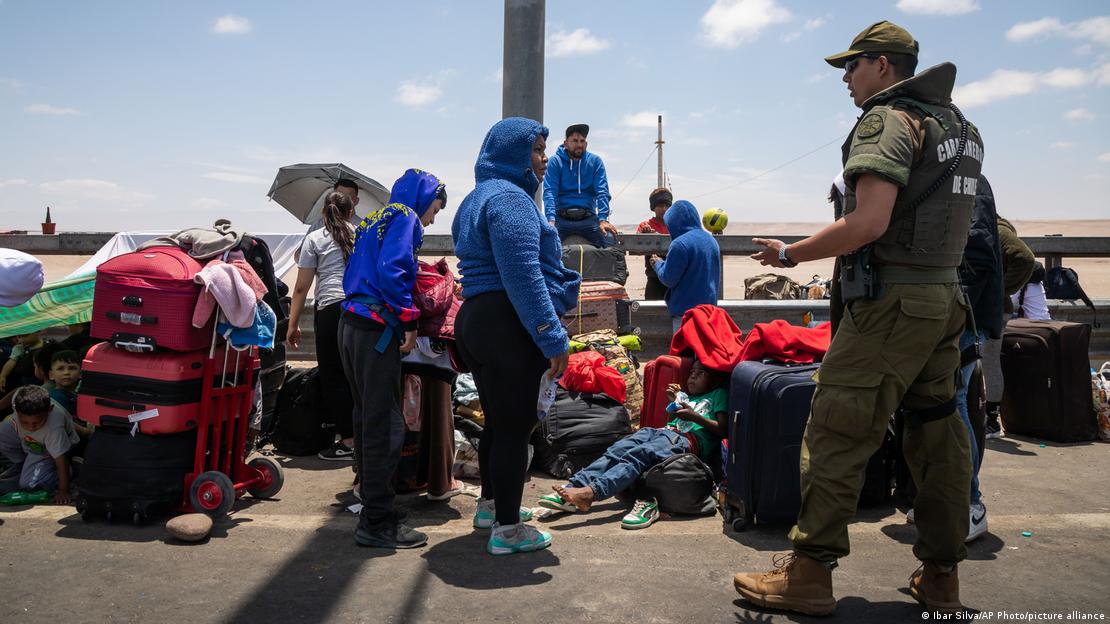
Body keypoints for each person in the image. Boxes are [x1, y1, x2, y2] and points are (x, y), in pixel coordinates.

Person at [734, 21, 985, 615]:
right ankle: (942, 576)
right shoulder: (961, 127)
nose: (846, 79)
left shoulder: (888, 120)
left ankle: (810, 574)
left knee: (837, 428)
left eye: (851, 67)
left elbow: (869, 222)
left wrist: (790, 254)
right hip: (942, 301)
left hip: (892, 306)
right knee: (937, 432)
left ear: (882, 65)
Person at [453, 117, 581, 556]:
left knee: (498, 423)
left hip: (477, 318)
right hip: (507, 321)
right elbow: (523, 275)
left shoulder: (476, 198)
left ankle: (492, 508)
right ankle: (508, 532)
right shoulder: (511, 199)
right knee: (514, 428)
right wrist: (552, 337)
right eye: (538, 151)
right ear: (512, 153)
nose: (545, 160)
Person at [339, 168, 446, 549]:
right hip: (377, 332)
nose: (431, 219)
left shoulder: (372, 218)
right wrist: (409, 319)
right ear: (423, 198)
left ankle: (375, 508)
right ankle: (377, 522)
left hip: (350, 325)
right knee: (386, 427)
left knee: (367, 422)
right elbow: (394, 270)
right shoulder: (405, 216)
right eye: (434, 208)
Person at [905, 174, 1003, 542]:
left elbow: (977, 251)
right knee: (938, 403)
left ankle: (968, 504)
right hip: (955, 311)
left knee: (953, 403)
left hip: (962, 314)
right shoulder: (955, 178)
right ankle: (944, 501)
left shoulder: (967, 180)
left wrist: (949, 306)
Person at [537, 360, 727, 530]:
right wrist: (674, 404)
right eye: (692, 372)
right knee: (617, 449)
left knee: (639, 454)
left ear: (714, 380)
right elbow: (673, 421)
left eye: (700, 373)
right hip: (664, 431)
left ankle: (591, 493)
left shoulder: (718, 394)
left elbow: (722, 429)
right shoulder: (686, 396)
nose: (692, 376)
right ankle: (575, 485)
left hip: (687, 439)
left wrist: (693, 416)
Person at [288, 191, 358, 461]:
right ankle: (363, 436)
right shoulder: (361, 235)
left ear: (323, 214)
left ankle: (349, 441)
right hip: (359, 310)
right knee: (357, 374)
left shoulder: (315, 239)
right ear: (351, 212)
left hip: (330, 310)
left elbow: (301, 288)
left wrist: (292, 325)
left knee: (334, 375)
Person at [982, 216, 1036, 438]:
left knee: (989, 362)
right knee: (987, 362)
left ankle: (991, 421)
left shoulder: (997, 231)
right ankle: (988, 419)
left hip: (991, 307)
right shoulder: (995, 228)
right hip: (989, 306)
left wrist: (1000, 289)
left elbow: (1025, 259)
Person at [648, 200, 721, 333]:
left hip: (686, 315)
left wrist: (658, 264)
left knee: (684, 352)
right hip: (709, 312)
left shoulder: (679, 244)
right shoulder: (711, 240)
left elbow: (669, 278)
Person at [542, 123, 617, 248]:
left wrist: (603, 219)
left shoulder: (595, 161)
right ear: (566, 143)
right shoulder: (555, 161)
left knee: (609, 239)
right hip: (561, 218)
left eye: (582, 141)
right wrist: (550, 220)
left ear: (586, 144)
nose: (579, 145)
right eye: (575, 141)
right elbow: (550, 192)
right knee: (545, 242)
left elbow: (602, 191)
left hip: (588, 218)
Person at [0, 385, 77, 503]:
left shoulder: (54, 429)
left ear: (49, 410)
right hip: (32, 444)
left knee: (29, 484)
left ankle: (73, 469)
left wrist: (63, 490)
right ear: (15, 408)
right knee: (2, 430)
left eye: (36, 422)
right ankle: (24, 464)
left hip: (51, 451)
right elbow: (17, 390)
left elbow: (61, 459)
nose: (31, 427)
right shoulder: (21, 398)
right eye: (24, 422)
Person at [637, 188, 673, 300]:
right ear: (653, 207)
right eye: (660, 205)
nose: (664, 209)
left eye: (667, 205)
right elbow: (636, 246)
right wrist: (644, 235)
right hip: (654, 279)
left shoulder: (675, 225)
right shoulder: (645, 225)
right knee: (652, 313)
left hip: (674, 277)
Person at [46, 350, 81, 418]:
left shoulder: (77, 395)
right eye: (60, 369)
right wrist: (84, 429)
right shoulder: (54, 398)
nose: (66, 372)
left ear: (80, 373)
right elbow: (63, 420)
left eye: (72, 368)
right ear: (51, 375)